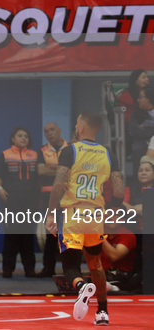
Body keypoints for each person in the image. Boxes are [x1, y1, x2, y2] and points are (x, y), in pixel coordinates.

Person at [45, 111, 124, 326]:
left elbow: (58, 185)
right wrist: (115, 208)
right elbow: (118, 188)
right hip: (95, 213)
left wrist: (51, 213)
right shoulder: (108, 153)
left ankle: (81, 287)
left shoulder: (70, 151)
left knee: (70, 266)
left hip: (73, 213)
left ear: (81, 127)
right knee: (95, 263)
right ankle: (103, 313)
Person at [0, 126, 40, 278]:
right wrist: (0, 189)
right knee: (11, 236)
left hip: (30, 201)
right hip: (11, 201)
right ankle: (7, 270)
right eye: (20, 135)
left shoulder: (34, 155)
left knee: (28, 236)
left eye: (26, 136)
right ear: (13, 138)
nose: (23, 138)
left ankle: (30, 270)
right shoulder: (5, 155)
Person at [36, 122, 68, 278]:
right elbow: (41, 171)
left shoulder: (71, 148)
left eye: (52, 129)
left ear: (60, 130)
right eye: (46, 131)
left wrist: (53, 169)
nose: (49, 133)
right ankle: (48, 268)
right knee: (51, 234)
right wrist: (63, 168)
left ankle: (70, 269)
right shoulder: (42, 150)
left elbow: (74, 170)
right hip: (49, 198)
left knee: (68, 234)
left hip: (69, 197)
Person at [128, 86, 154, 176]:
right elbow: (134, 131)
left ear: (149, 98)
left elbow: (144, 130)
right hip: (140, 149)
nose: (138, 100)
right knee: (141, 176)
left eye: (141, 97)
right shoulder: (136, 113)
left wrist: (146, 124)